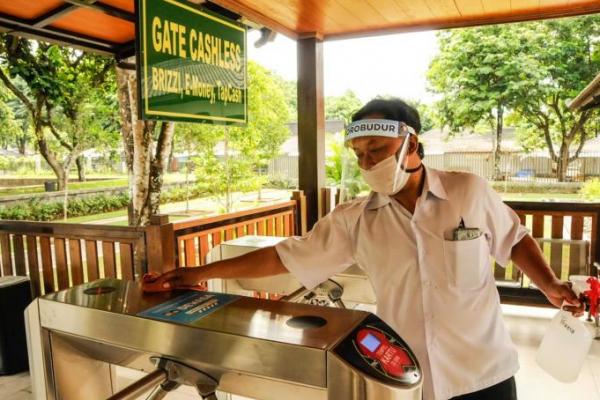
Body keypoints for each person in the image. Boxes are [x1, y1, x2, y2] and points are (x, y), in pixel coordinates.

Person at [143, 98, 584, 400]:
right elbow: (286, 256)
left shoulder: (468, 192)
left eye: (378, 149)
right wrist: (190, 274)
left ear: (413, 144)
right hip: (403, 375)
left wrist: (548, 285)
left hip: (484, 373)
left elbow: (516, 238)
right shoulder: (355, 218)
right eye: (359, 153)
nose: (368, 162)